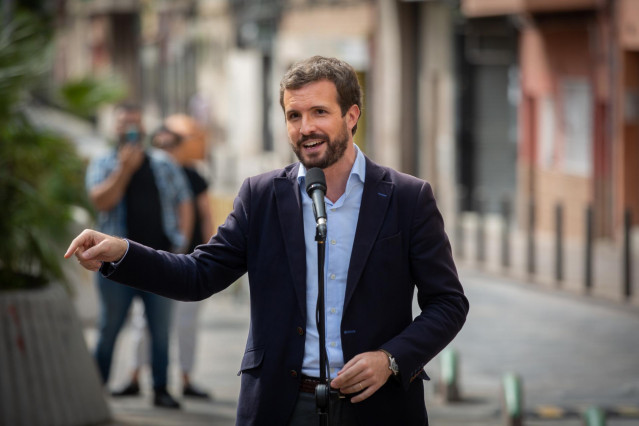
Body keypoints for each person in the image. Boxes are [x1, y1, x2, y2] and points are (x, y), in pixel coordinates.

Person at [67, 56, 469, 425]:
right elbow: (199, 275)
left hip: (379, 407)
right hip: (280, 406)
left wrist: (391, 359)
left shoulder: (407, 197)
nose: (305, 127)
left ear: (351, 116)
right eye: (293, 115)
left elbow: (448, 303)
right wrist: (123, 252)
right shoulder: (261, 196)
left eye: (319, 112)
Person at [84, 103, 193, 409]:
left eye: (135, 123)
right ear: (115, 129)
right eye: (124, 124)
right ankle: (96, 391)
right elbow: (101, 201)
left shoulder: (163, 163)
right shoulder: (104, 162)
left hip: (158, 262)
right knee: (109, 330)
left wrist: (181, 242)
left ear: (143, 127)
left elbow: (184, 200)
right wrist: (124, 170)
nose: (131, 129)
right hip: (114, 267)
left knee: (160, 332)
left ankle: (160, 388)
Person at [117, 123, 214, 399]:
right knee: (142, 324)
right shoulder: (146, 170)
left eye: (171, 143)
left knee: (185, 324)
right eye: (160, 144)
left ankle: (185, 378)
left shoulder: (193, 175)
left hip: (189, 260)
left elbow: (205, 214)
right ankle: (135, 375)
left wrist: (210, 255)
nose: (165, 149)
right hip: (155, 260)